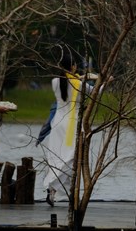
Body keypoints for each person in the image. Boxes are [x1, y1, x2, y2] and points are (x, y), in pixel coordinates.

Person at [41, 52, 105, 206]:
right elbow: (97, 92)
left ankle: (53, 189)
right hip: (72, 123)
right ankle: (53, 185)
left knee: (56, 157)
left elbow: (67, 81)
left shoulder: (55, 81)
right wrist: (105, 82)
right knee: (72, 158)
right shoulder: (79, 84)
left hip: (57, 123)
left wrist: (78, 78)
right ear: (73, 67)